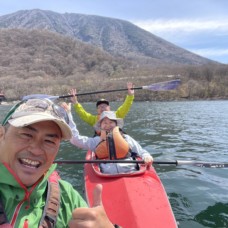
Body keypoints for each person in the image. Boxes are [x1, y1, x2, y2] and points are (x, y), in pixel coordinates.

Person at [0, 98, 114, 227]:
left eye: (49, 141)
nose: (36, 150)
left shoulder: (66, 196)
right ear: (1, 135)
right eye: (26, 135)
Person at [65, 105, 153, 171]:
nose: (108, 125)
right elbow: (75, 139)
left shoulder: (126, 138)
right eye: (105, 123)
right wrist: (68, 115)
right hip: (106, 175)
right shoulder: (97, 141)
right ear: (101, 126)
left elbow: (141, 151)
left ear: (116, 124)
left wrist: (146, 156)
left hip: (130, 171)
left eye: (111, 122)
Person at [69, 82, 135, 130]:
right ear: (97, 110)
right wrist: (75, 102)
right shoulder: (93, 120)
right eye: (99, 106)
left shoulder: (117, 115)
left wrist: (130, 96)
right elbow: (82, 113)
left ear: (109, 108)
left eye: (104, 105)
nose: (102, 107)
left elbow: (126, 106)